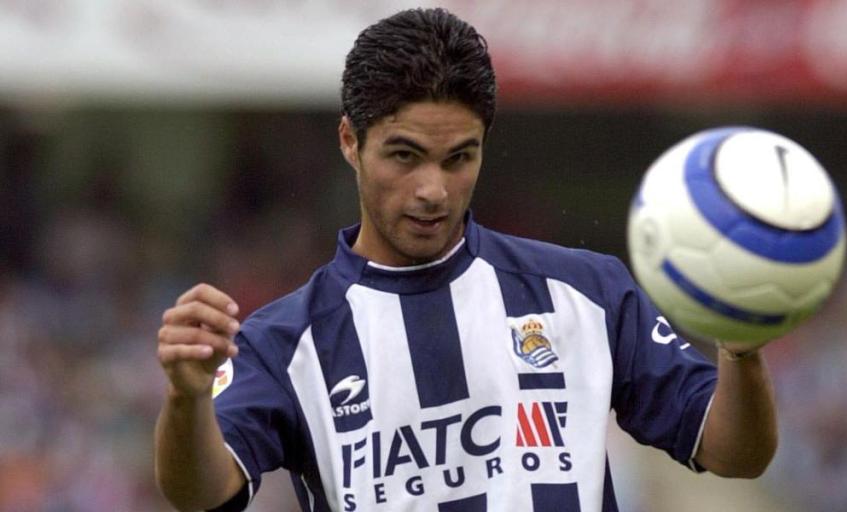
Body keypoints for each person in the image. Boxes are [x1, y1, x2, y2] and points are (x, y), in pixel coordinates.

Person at [154, 8, 777, 512]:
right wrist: (187, 399)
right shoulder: (285, 342)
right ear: (350, 141)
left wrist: (741, 351)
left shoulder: (586, 293)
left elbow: (735, 453)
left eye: (459, 158)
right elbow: (199, 494)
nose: (433, 190)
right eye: (404, 156)